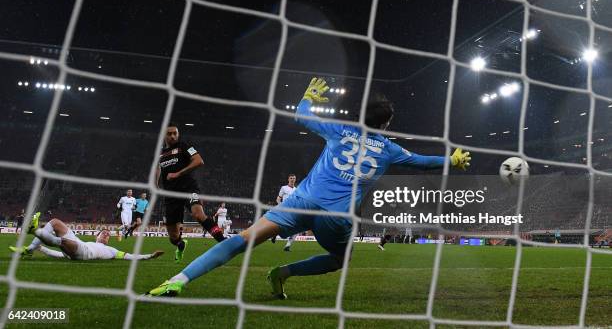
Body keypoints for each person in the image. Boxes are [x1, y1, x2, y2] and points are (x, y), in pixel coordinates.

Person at [147, 77, 471, 298]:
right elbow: (423, 161)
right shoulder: (389, 150)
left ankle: (177, 280)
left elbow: (301, 116)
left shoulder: (339, 129)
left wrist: (307, 96)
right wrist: (453, 160)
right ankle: (283, 272)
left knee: (243, 240)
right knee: (339, 259)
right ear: (386, 125)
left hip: (301, 201)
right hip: (336, 217)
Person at [157, 123, 224, 263]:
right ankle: (181, 245)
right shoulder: (161, 154)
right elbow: (158, 172)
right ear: (164, 135)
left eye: (175, 133)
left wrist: (178, 173)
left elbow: (199, 161)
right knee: (173, 237)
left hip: (188, 188)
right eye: (169, 133)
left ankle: (223, 242)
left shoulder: (184, 146)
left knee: (198, 214)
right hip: (171, 195)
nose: (173, 136)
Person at [10, 212, 163, 261]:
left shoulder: (111, 250)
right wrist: (41, 249)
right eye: (103, 233)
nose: (105, 235)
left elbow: (130, 256)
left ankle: (33, 231)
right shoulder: (90, 242)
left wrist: (149, 256)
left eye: (107, 235)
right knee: (55, 222)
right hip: (78, 244)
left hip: (83, 253)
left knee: (62, 241)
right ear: (97, 237)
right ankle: (30, 247)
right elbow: (60, 255)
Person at [277, 174, 298, 251]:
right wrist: (281, 206)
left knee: (297, 229)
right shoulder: (284, 188)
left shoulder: (296, 190)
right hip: (285, 211)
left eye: (294, 178)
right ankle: (274, 235)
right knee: (281, 226)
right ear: (288, 179)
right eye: (291, 178)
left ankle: (288, 245)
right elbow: (278, 199)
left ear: (295, 180)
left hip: (293, 211)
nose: (292, 179)